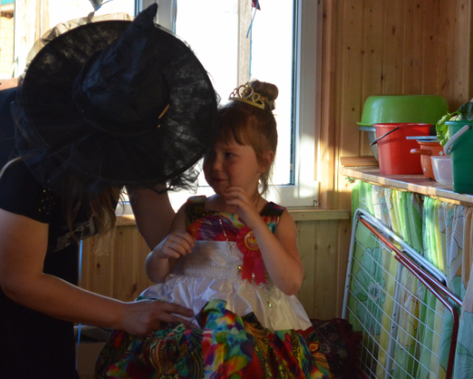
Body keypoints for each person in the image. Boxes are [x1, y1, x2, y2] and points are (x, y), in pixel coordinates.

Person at [0, 4, 218, 379]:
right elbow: (20, 281)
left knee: (48, 335)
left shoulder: (135, 119)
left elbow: (160, 229)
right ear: (97, 134)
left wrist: (220, 260)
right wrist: (123, 314)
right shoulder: (31, 160)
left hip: (21, 199)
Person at [95, 81, 331, 379]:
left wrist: (256, 224)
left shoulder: (274, 218)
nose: (215, 165)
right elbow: (158, 274)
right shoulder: (193, 211)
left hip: (254, 320)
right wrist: (161, 253)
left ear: (263, 160)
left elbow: (290, 283)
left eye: (229, 155)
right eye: (209, 154)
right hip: (187, 314)